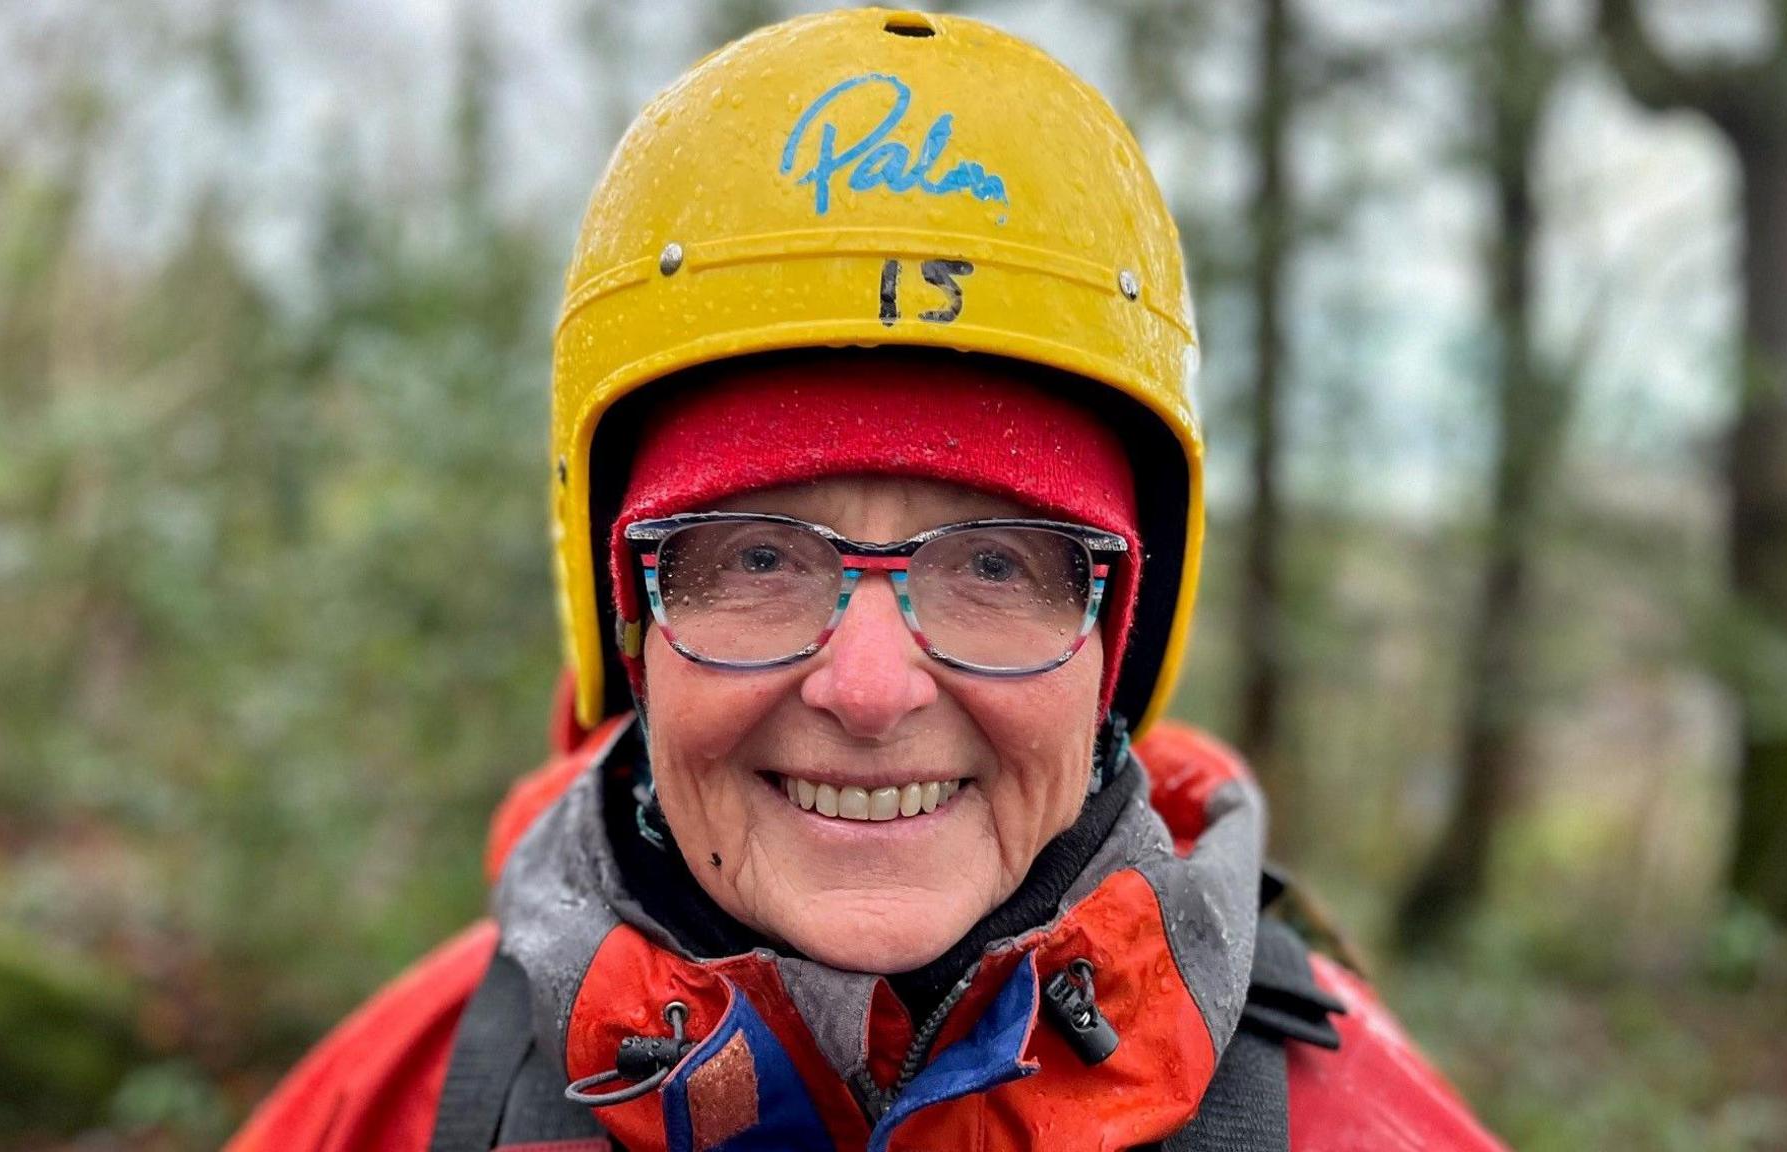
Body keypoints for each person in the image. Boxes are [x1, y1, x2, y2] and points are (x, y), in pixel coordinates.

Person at [229, 10, 1507, 1150]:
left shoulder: (1365, 1127)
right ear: (627, 625)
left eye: (998, 564)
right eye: (759, 558)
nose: (871, 687)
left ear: (1113, 639)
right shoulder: (397, 1104)